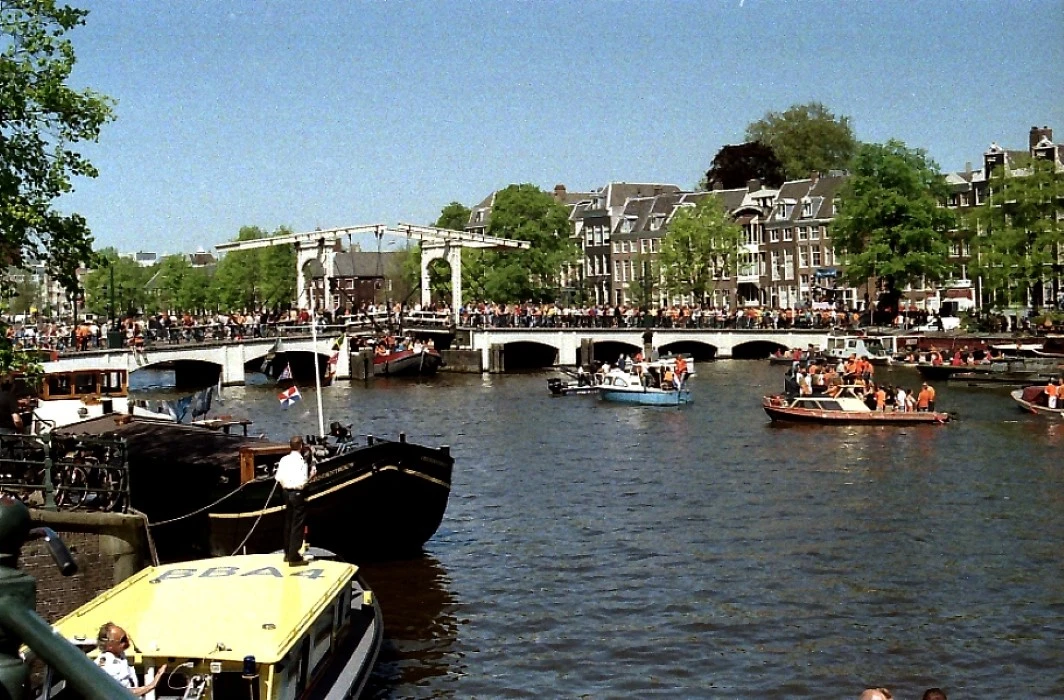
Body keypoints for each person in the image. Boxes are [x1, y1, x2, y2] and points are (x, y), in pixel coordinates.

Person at [275, 435, 316, 565]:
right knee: (298, 524)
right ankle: (294, 556)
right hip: (297, 493)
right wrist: (312, 476)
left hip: (285, 493)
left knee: (288, 522)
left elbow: (278, 478)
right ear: (301, 446)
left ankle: (287, 553)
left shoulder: (284, 460)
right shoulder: (301, 462)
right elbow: (303, 481)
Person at [96, 622, 167, 696]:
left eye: (126, 636)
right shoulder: (107, 665)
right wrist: (152, 685)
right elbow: (121, 693)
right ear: (109, 645)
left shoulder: (119, 655)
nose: (128, 640)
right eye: (123, 640)